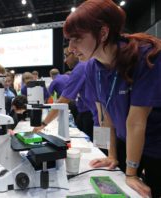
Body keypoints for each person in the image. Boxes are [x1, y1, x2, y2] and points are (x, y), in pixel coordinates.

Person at [63, 0, 161, 197]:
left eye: (77, 39)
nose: (71, 48)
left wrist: (132, 173)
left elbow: (136, 121)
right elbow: (105, 116)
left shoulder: (146, 56)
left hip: (154, 146)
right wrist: (112, 156)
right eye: (69, 40)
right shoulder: (92, 68)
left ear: (103, 33)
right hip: (126, 141)